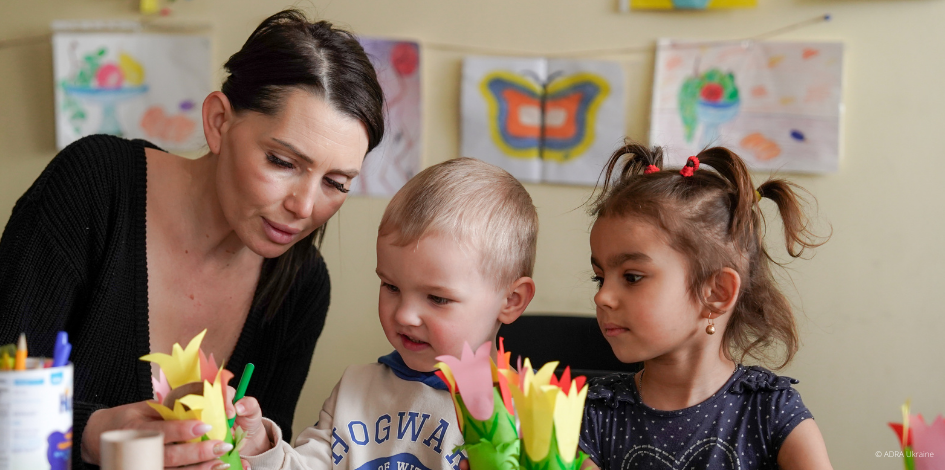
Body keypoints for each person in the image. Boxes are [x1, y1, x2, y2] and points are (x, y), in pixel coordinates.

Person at [0, 9, 384, 470]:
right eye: (281, 162)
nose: (304, 206)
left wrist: (253, 447)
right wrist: (94, 432)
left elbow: (258, 454)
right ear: (218, 122)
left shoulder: (300, 284)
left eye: (336, 183)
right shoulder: (95, 186)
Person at [226, 158, 539, 470]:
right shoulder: (355, 389)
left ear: (511, 300)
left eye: (437, 298)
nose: (404, 315)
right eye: (391, 286)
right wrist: (259, 445)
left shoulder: (524, 412)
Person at [578, 142, 833, 469]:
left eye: (632, 277)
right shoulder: (592, 413)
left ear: (717, 293)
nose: (602, 297)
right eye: (599, 278)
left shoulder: (773, 413)